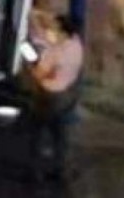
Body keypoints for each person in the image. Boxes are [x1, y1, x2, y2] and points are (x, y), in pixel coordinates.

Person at [21, 10, 84, 186]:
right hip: (68, 95)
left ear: (63, 31)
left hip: (49, 97)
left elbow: (40, 74)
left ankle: (35, 173)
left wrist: (29, 61)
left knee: (37, 134)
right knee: (60, 136)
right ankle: (61, 171)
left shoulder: (56, 53)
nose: (52, 29)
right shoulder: (76, 44)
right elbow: (41, 26)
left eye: (56, 27)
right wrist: (41, 16)